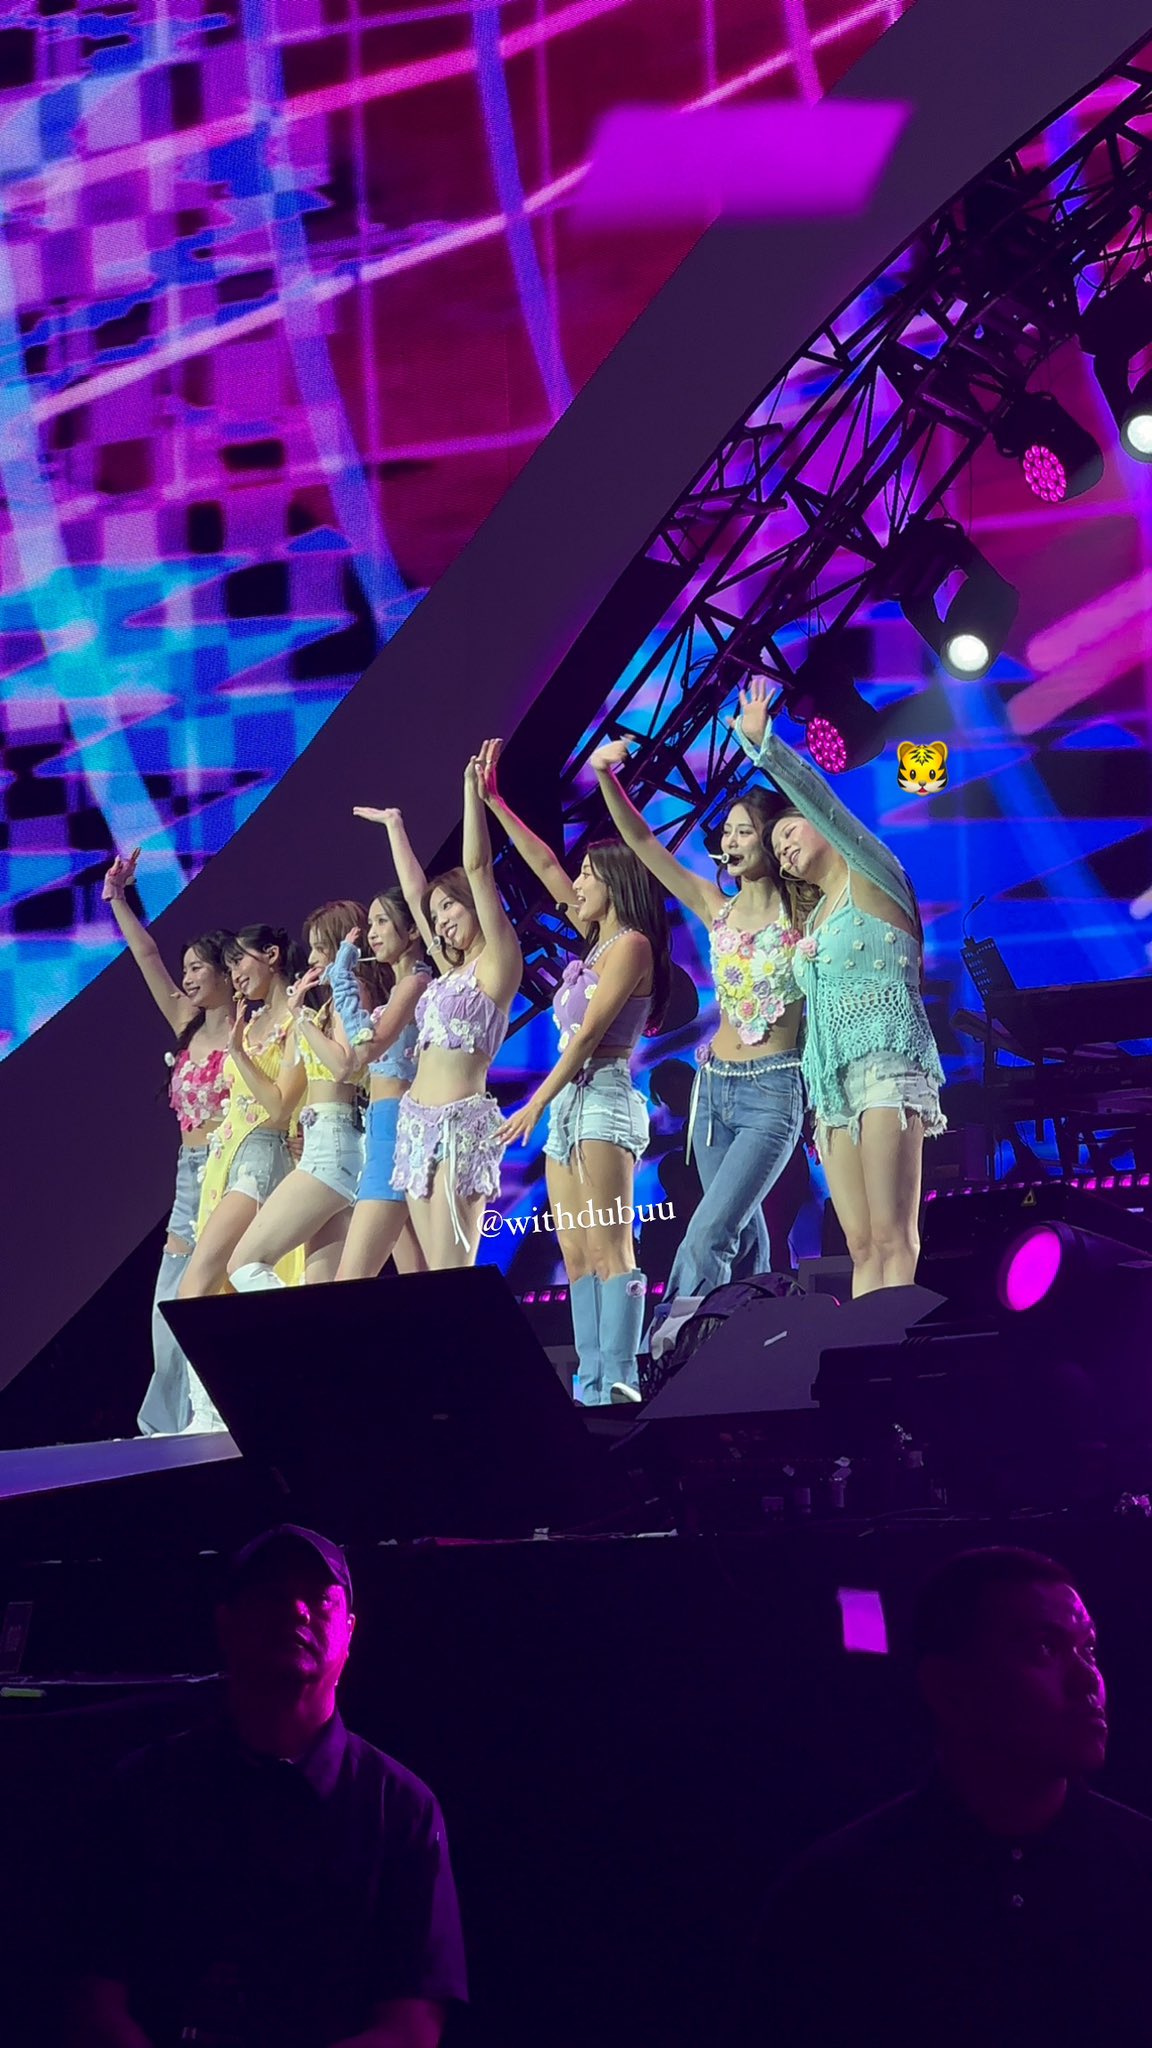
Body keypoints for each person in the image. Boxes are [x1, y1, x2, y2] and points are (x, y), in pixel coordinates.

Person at [68, 1523, 467, 2048]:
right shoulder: (141, 1790)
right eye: (271, 1595)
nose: (297, 1610)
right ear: (226, 1624)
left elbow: (412, 2028)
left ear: (349, 1632)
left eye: (319, 1599)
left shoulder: (403, 1810)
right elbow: (92, 1998)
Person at [752, 1547, 1152, 2047]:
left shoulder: (1140, 1867)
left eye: (1088, 1650)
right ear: (947, 1688)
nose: (1088, 1679)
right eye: (1044, 1649)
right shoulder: (835, 1902)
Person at [733, 675, 946, 1294]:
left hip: (885, 1068)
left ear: (821, 826)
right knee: (857, 1245)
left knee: (892, 1234)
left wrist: (765, 747)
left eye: (788, 833)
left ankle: (895, 1343)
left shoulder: (872, 876)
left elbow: (822, 800)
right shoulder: (811, 918)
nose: (783, 850)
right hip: (829, 1090)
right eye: (776, 847)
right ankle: (865, 1345)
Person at [478, 737, 670, 1404]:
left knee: (612, 1246)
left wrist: (534, 1101)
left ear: (616, 883)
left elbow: (588, 1036)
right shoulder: (595, 941)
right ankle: (591, 1385)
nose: (577, 882)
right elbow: (541, 861)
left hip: (602, 1099)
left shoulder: (631, 945)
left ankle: (620, 1378)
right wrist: (495, 802)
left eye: (588, 874)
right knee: (577, 1252)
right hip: (568, 1105)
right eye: (579, 873)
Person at [590, 736, 810, 1315]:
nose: (730, 842)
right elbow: (644, 843)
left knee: (709, 1232)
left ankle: (676, 1335)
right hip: (712, 1093)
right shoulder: (716, 906)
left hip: (773, 1093)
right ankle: (755, 1338)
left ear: (772, 838)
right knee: (744, 1236)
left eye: (744, 831)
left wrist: (769, 750)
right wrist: (607, 777)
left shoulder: (805, 911)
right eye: (727, 832)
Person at [354, 756, 522, 1269]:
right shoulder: (448, 972)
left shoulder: (497, 965)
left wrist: (471, 791)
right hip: (414, 1127)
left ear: (473, 903)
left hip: (458, 1128)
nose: (442, 920)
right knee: (431, 1275)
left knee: (453, 1272)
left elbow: (478, 868)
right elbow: (413, 894)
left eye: (450, 906)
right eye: (436, 914)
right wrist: (395, 827)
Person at [103, 850, 233, 1435]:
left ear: (227, 972)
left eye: (198, 967)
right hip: (190, 1176)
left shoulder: (252, 1027)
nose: (188, 977)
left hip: (234, 1173)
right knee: (170, 1302)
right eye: (186, 969)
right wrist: (117, 899)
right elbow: (146, 955)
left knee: (221, 1291)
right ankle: (171, 1422)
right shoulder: (185, 1020)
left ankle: (220, 1414)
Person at [227, 903, 388, 1291]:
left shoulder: (354, 991)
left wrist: (299, 1016)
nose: (312, 958)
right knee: (321, 1287)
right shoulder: (333, 1002)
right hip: (325, 1144)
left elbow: (344, 1065)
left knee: (244, 1264)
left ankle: (294, 1331)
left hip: (332, 1148)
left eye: (319, 947)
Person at [178, 926, 308, 1300]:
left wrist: (238, 1053)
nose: (235, 974)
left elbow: (280, 1107)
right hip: (226, 1160)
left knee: (196, 1286)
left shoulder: (297, 1022)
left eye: (239, 961)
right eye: (230, 966)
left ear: (272, 956)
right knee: (223, 1290)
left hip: (262, 1160)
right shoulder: (250, 1022)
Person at [331, 891, 434, 1281]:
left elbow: (366, 1047)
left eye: (382, 922)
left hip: (396, 1131)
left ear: (412, 931)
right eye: (370, 923)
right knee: (418, 1276)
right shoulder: (400, 988)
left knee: (350, 1279)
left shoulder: (415, 983)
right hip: (383, 1130)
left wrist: (342, 978)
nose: (371, 933)